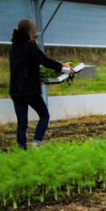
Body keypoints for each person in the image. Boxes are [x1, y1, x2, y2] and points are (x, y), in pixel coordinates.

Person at [9, 19, 74, 149]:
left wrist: (34, 68)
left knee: (22, 123)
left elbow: (22, 65)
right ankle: (36, 143)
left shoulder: (13, 47)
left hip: (15, 90)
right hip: (29, 89)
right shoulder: (30, 45)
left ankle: (22, 150)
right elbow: (44, 60)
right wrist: (63, 67)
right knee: (44, 116)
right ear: (30, 30)